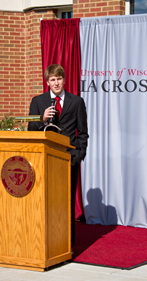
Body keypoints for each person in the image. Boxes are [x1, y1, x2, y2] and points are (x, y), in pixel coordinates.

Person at [28, 64, 89, 247]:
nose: (56, 82)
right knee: (47, 202)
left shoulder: (77, 101)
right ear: (47, 82)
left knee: (66, 203)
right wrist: (42, 119)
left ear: (64, 80)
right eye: (53, 79)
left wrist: (78, 155)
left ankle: (66, 245)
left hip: (68, 160)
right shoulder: (37, 101)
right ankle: (46, 243)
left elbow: (83, 133)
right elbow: (30, 129)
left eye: (59, 78)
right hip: (45, 160)